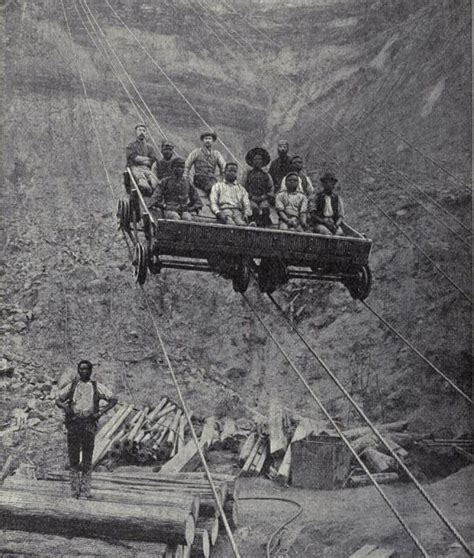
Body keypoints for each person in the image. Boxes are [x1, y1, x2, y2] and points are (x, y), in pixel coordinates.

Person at [56, 360, 118, 499]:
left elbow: (113, 399)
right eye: (81, 369)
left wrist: (100, 413)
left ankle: (85, 491)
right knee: (73, 458)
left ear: (91, 371)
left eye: (87, 369)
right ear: (78, 371)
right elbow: (58, 399)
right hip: (73, 424)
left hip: (89, 425)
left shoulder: (97, 387)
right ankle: (74, 491)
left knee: (87, 458)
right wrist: (65, 407)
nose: (84, 371)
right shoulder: (72, 386)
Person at [184, 131, 226, 196]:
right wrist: (186, 177)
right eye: (206, 139)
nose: (208, 141)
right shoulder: (196, 152)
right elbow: (187, 165)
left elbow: (223, 167)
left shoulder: (216, 154)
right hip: (199, 178)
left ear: (213, 141)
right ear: (203, 140)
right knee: (212, 188)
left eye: (209, 139)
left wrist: (223, 179)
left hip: (212, 178)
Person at [241, 147, 274, 227]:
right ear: (252, 161)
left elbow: (271, 189)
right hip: (250, 198)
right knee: (254, 208)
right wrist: (250, 196)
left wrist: (264, 197)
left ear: (262, 161)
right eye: (255, 159)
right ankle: (252, 223)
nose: (257, 161)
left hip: (263, 198)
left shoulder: (266, 175)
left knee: (264, 207)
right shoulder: (247, 174)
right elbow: (242, 188)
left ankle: (264, 224)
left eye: (259, 159)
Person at [126, 124, 159, 196]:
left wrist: (142, 160)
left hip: (147, 169)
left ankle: (154, 191)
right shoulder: (131, 145)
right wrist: (147, 159)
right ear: (136, 132)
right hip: (135, 167)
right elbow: (135, 158)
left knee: (154, 180)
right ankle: (144, 186)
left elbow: (153, 160)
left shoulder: (150, 147)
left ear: (146, 133)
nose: (142, 132)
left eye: (144, 130)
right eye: (139, 130)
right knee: (140, 177)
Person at [309, 171, 344, 236]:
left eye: (333, 182)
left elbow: (341, 215)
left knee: (340, 233)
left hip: (333, 223)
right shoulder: (317, 197)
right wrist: (323, 222)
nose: (332, 184)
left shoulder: (337, 198)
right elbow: (312, 214)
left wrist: (336, 225)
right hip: (320, 223)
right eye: (329, 182)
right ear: (323, 184)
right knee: (326, 233)